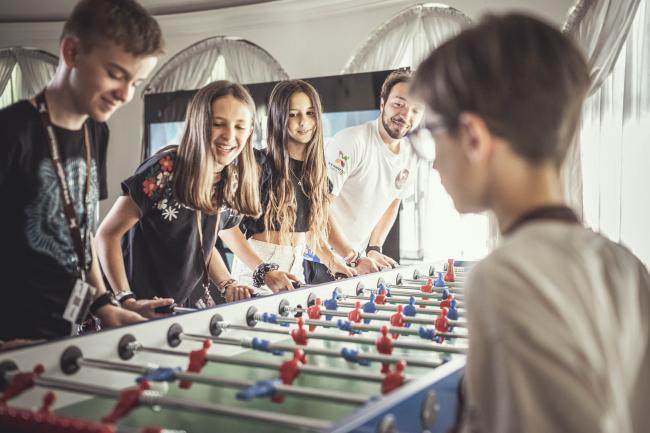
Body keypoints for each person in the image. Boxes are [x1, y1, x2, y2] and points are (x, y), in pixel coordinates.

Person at [412, 13, 650, 433]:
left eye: (432, 132)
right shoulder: (624, 264)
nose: (432, 161)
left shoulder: (504, 277)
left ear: (472, 137)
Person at [0, 0, 164, 344]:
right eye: (116, 74)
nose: (125, 94)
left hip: (65, 333)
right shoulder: (12, 131)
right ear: (72, 52)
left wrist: (105, 304)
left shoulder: (96, 131)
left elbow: (83, 229)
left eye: (136, 82)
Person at [96, 80, 298, 317]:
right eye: (217, 124)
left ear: (251, 130)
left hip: (183, 308)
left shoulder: (231, 177)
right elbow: (107, 235)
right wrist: (125, 299)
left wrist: (228, 283)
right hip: (136, 308)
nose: (229, 136)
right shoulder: (166, 169)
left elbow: (203, 241)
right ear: (199, 124)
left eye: (240, 127)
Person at [232, 80, 356, 290]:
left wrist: (335, 262)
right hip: (257, 270)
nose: (303, 122)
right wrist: (262, 270)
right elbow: (226, 227)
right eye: (293, 114)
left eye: (309, 113)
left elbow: (309, 233)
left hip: (295, 269)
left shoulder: (316, 173)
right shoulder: (258, 164)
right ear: (278, 117)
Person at [304, 69, 425, 284]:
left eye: (415, 109)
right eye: (398, 104)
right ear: (382, 103)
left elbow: (393, 202)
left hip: (353, 258)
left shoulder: (411, 155)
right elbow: (318, 207)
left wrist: (374, 248)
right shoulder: (352, 141)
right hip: (318, 258)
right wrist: (352, 257)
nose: (406, 115)